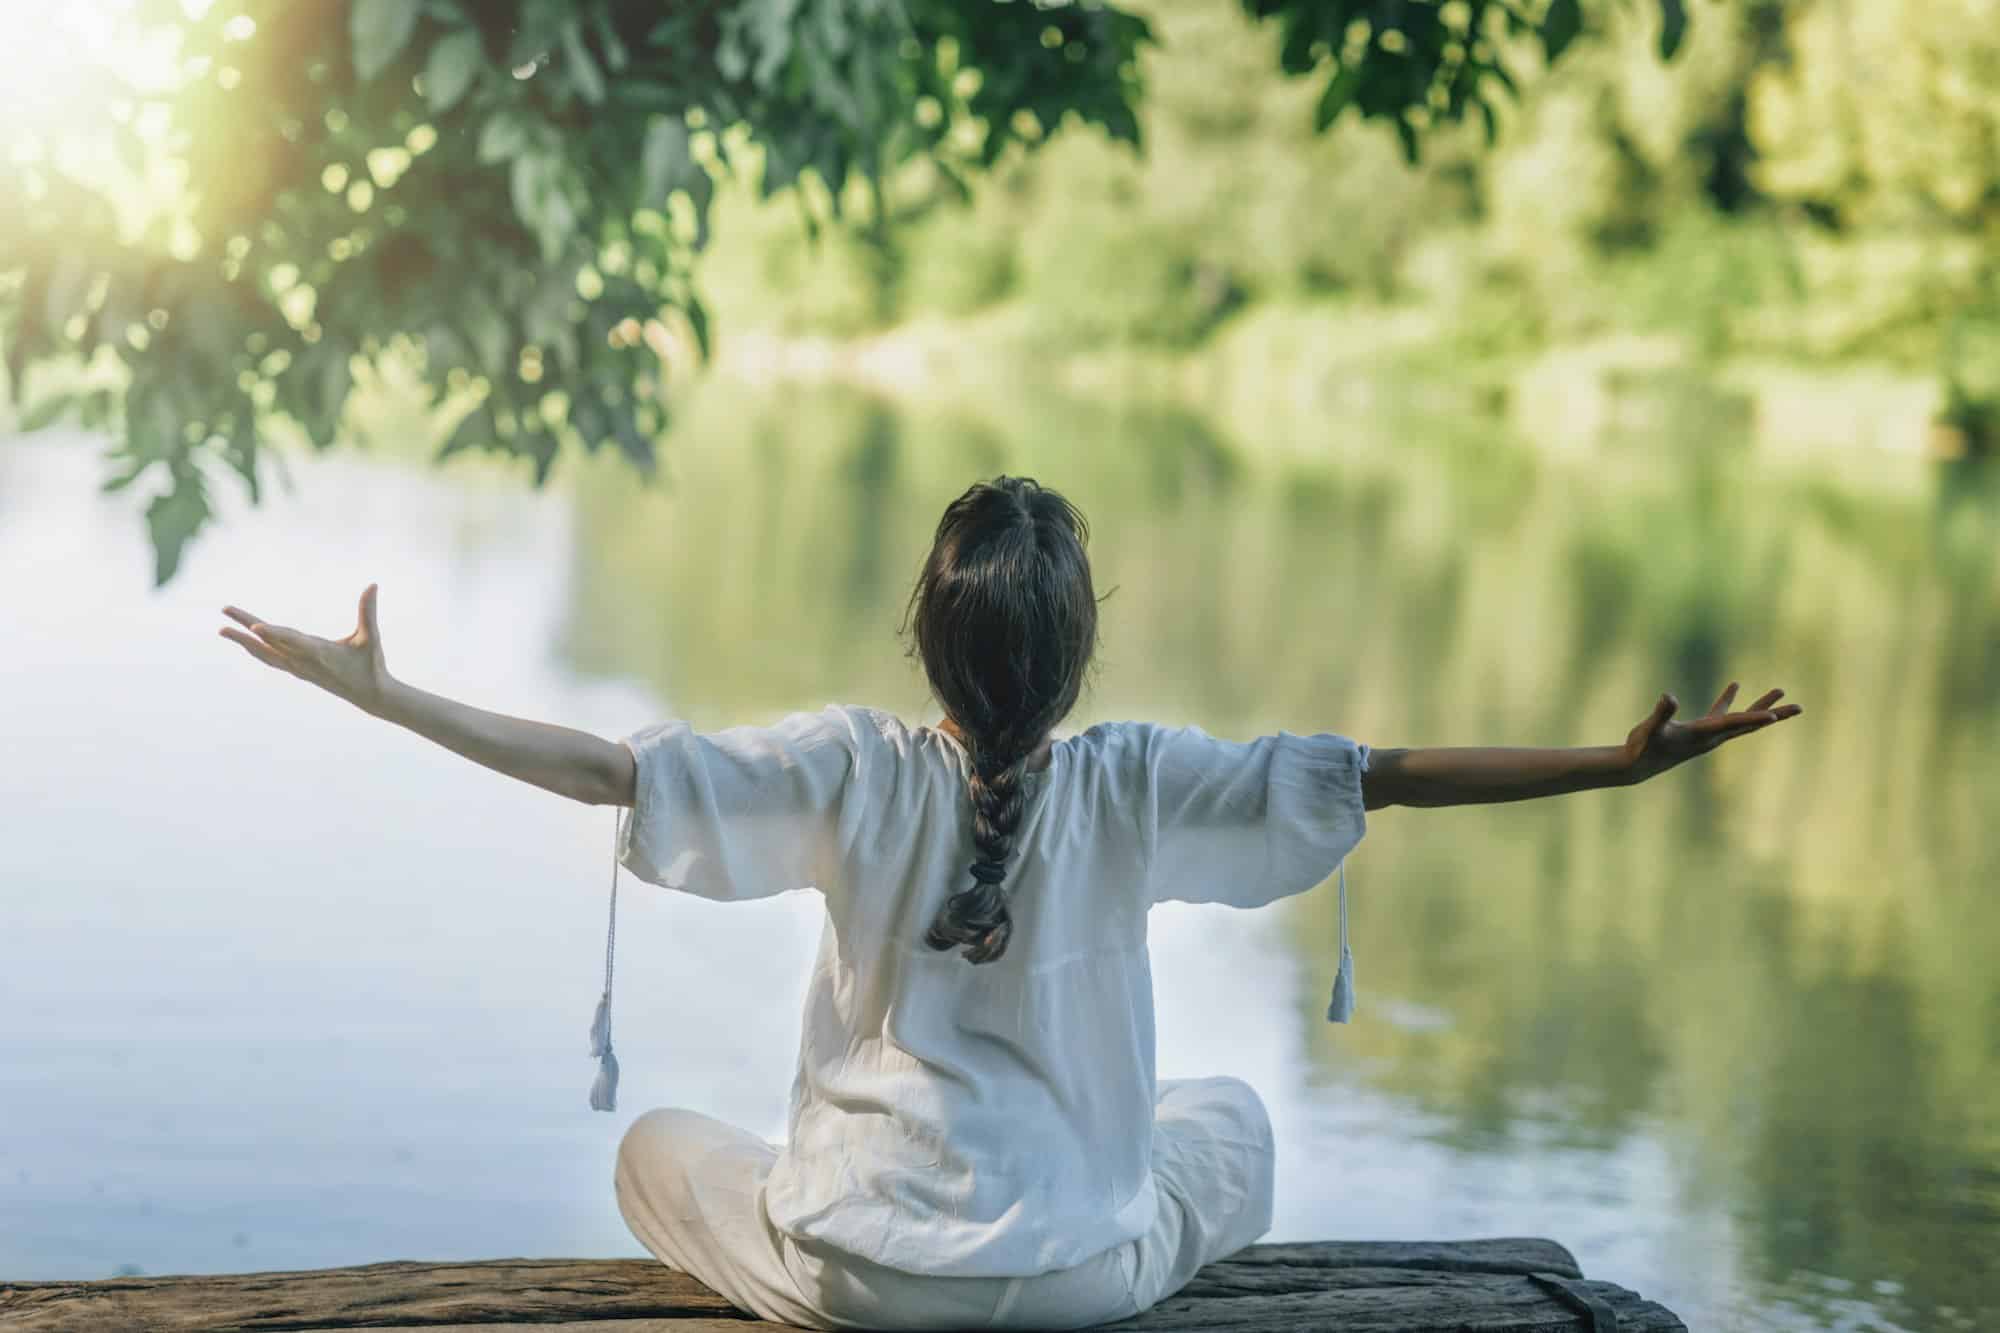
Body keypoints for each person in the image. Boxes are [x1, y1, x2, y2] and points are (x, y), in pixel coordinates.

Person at [217, 475, 1802, 1330]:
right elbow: (1381, 773)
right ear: (1077, 647)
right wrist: (1613, 764)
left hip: (858, 1274)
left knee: (651, 1151)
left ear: (928, 633)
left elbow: (603, 771)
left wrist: (392, 696)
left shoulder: (847, 765)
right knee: (1234, 1120)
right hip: (1074, 1277)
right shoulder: (1142, 778)